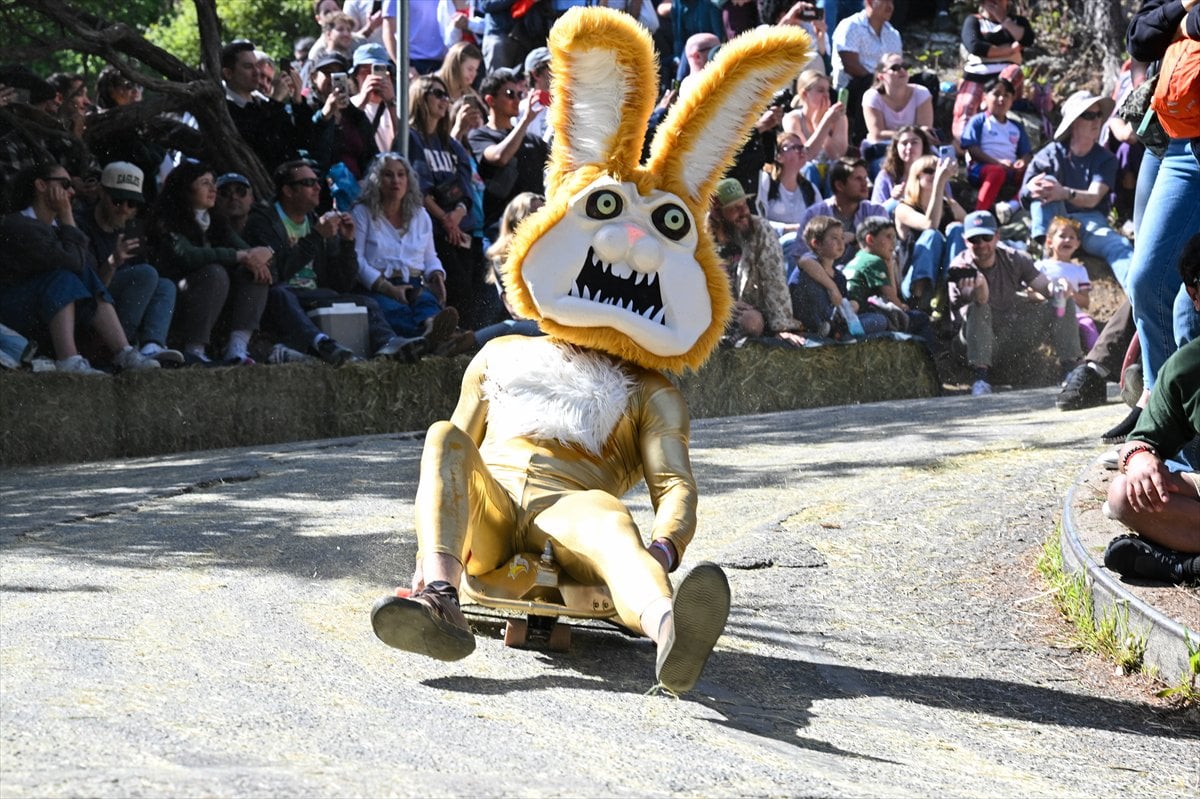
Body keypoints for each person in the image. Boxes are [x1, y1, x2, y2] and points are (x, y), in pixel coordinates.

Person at [368, 8, 810, 693]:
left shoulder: (649, 390)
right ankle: (437, 597)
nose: (632, 247)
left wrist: (667, 541)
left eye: (659, 229)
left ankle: (669, 625)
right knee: (443, 440)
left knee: (609, 523)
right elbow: (454, 458)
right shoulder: (499, 358)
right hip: (488, 514)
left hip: (570, 512)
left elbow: (673, 484)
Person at [241, 159, 416, 364]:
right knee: (280, 292)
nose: (317, 187)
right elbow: (277, 272)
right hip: (280, 298)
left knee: (367, 302)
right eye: (308, 183)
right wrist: (316, 236)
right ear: (288, 191)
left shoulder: (316, 221)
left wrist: (348, 242)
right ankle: (323, 344)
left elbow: (341, 283)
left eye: (317, 181)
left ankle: (389, 344)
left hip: (313, 295)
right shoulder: (264, 221)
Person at [0, 162, 161, 375]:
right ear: (41, 185)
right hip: (13, 313)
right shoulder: (18, 224)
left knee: (84, 275)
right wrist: (67, 214)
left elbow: (86, 268)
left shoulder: (61, 228)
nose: (72, 191)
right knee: (64, 277)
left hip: (46, 313)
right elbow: (74, 264)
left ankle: (124, 351)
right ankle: (69, 360)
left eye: (132, 203)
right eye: (65, 184)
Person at [1102, 239, 1200, 585]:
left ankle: (1184, 567)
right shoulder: (1188, 367)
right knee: (1123, 495)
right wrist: (1141, 459)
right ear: (1195, 296)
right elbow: (1139, 441)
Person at [1124, 0, 1200, 430]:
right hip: (1178, 144)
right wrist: (1183, 13)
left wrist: (1181, 24)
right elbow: (1140, 37)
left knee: (1186, 307)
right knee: (1147, 279)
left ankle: (1183, 444)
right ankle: (1162, 427)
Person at [947, 210, 1082, 396]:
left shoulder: (1014, 258)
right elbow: (979, 303)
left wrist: (1059, 286)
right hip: (972, 345)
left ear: (997, 237)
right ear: (965, 241)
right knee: (979, 308)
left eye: (986, 237)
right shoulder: (960, 268)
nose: (981, 244)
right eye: (974, 240)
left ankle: (1070, 369)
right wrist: (980, 286)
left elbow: (1044, 287)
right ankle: (981, 378)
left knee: (1063, 301)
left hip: (1009, 337)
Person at [150, 161, 272, 366]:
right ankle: (194, 350)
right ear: (185, 189)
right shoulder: (166, 221)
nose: (213, 189)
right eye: (205, 183)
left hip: (216, 301)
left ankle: (237, 347)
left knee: (254, 271)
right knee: (215, 272)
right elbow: (189, 255)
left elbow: (246, 251)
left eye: (213, 183)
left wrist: (264, 253)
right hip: (178, 300)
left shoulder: (216, 220)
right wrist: (238, 256)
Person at [350, 153, 464, 352]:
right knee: (396, 310)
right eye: (388, 175)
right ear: (376, 180)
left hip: (412, 283)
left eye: (401, 175)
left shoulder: (420, 215)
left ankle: (436, 331)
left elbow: (430, 257)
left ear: (408, 180)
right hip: (377, 286)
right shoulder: (363, 213)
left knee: (426, 303)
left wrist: (437, 275)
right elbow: (356, 260)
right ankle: (430, 342)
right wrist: (386, 287)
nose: (396, 181)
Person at [1018, 91, 1132, 286]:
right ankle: (1045, 255)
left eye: (1098, 115)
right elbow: (1025, 194)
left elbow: (1094, 197)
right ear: (1073, 123)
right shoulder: (1050, 154)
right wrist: (1033, 187)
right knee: (1046, 185)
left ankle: (1139, 294)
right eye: (1088, 115)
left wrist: (1064, 192)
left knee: (1119, 245)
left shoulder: (1105, 159)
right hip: (1057, 221)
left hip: (1090, 223)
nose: (1096, 120)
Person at [74, 161, 182, 365]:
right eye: (117, 200)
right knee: (146, 274)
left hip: (121, 305)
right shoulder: (81, 224)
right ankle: (119, 349)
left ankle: (152, 345)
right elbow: (91, 289)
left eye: (131, 204)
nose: (124, 209)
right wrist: (113, 261)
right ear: (102, 194)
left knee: (165, 285)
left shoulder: (132, 228)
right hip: (90, 312)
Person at [408, 74, 487, 325]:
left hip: (461, 229)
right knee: (456, 290)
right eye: (437, 94)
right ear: (420, 97)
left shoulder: (452, 145)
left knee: (474, 293)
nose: (445, 100)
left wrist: (457, 215)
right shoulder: (410, 138)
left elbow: (466, 188)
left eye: (446, 95)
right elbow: (418, 189)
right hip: (435, 232)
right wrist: (445, 220)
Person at [707, 178, 806, 347]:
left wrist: (781, 326)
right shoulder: (702, 237)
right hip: (713, 307)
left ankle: (732, 340)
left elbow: (774, 278)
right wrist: (723, 302)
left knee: (752, 322)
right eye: (734, 208)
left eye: (744, 204)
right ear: (718, 214)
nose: (743, 211)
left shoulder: (761, 230)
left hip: (749, 309)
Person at [468, 68, 549, 243]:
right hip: (501, 231)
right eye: (510, 94)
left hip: (536, 229)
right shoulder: (479, 136)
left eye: (520, 94)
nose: (517, 100)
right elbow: (499, 157)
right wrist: (526, 120)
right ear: (491, 100)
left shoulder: (532, 140)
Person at [222, 40, 312, 174]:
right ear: (228, 73)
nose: (256, 72)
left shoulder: (263, 104)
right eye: (248, 67)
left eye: (256, 66)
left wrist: (297, 100)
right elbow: (260, 141)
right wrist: (276, 101)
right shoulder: (225, 109)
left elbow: (303, 140)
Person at [789, 216, 887, 338]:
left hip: (834, 321)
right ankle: (830, 330)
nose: (841, 243)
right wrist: (832, 288)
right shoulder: (808, 262)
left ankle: (840, 333)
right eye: (834, 238)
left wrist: (852, 305)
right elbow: (805, 262)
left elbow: (842, 301)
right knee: (812, 284)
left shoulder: (839, 276)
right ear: (816, 243)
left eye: (842, 238)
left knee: (880, 319)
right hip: (809, 320)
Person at [951, 0, 1034, 140]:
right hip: (976, 75)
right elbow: (975, 46)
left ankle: (991, 110)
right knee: (965, 109)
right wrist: (1009, 50)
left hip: (1006, 76)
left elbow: (1027, 39)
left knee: (1011, 74)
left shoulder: (1018, 22)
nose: (993, 3)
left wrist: (1003, 20)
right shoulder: (973, 21)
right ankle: (965, 143)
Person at [893, 153, 965, 313]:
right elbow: (930, 224)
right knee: (932, 236)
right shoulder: (903, 208)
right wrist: (940, 181)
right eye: (929, 171)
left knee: (958, 230)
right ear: (916, 177)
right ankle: (919, 304)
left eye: (938, 170)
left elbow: (973, 229)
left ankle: (950, 296)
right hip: (913, 282)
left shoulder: (950, 205)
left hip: (944, 281)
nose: (936, 173)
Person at [790, 156, 890, 266]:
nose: (865, 184)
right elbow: (800, 256)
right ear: (839, 185)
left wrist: (855, 239)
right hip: (822, 276)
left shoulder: (876, 212)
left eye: (865, 178)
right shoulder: (815, 214)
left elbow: (886, 251)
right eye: (858, 179)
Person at [844, 215, 930, 338]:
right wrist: (902, 307)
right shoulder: (873, 261)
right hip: (860, 316)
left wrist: (889, 265)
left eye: (895, 237)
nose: (893, 243)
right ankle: (933, 355)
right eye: (889, 237)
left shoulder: (860, 257)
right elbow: (891, 298)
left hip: (855, 312)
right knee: (920, 318)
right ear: (870, 240)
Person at [830, 0, 902, 145]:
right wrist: (880, 83)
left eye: (892, 2)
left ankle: (921, 136)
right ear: (869, 2)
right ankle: (862, 140)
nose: (890, 6)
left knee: (925, 81)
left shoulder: (893, 33)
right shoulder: (851, 26)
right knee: (867, 84)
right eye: (885, 2)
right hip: (851, 89)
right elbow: (850, 65)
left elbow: (898, 65)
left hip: (886, 84)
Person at [960, 76, 1031, 222]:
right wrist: (997, 162)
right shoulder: (979, 121)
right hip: (982, 168)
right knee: (996, 172)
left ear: (1012, 100)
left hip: (1009, 169)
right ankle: (978, 216)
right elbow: (971, 148)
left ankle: (1012, 205)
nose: (1001, 99)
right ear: (985, 97)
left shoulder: (1016, 126)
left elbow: (1026, 153)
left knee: (1035, 173)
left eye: (1006, 95)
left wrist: (1022, 162)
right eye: (996, 94)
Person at [307, 52, 378, 181]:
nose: (334, 78)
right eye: (328, 72)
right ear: (313, 77)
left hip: (357, 190)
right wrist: (325, 115)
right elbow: (310, 149)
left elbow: (371, 155)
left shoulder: (354, 115)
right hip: (320, 189)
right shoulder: (305, 109)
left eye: (340, 74)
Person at [860, 53, 932, 174]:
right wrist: (909, 136)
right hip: (884, 150)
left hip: (915, 148)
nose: (902, 70)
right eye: (895, 68)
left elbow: (925, 129)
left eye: (905, 66)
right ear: (881, 76)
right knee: (886, 168)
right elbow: (877, 134)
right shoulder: (872, 97)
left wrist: (910, 138)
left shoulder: (921, 93)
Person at [1035, 216, 1097, 352]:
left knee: (1088, 324)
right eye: (1062, 236)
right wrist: (1050, 295)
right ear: (1049, 241)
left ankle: (1095, 360)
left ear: (1077, 244)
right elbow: (1030, 292)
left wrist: (1070, 294)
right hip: (1046, 312)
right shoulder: (1041, 266)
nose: (1067, 240)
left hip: (1075, 315)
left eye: (1072, 237)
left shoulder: (1079, 270)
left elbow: (1085, 302)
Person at [783, 69, 848, 197]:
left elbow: (837, 154)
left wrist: (820, 123)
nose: (826, 95)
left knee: (837, 169)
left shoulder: (838, 117)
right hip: (805, 173)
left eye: (827, 90)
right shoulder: (792, 119)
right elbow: (804, 156)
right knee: (810, 169)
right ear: (804, 94)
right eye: (820, 90)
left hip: (831, 175)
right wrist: (823, 125)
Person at [755, 131, 817, 244]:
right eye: (794, 147)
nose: (801, 151)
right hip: (772, 245)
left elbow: (821, 219)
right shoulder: (766, 182)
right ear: (778, 157)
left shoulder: (809, 188)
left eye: (802, 147)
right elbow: (757, 220)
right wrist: (788, 229)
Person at [349, 43, 398, 155]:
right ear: (356, 76)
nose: (371, 76)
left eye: (377, 70)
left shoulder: (398, 107)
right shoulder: (350, 105)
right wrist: (363, 100)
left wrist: (391, 103)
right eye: (365, 72)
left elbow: (405, 143)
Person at [870, 124, 929, 210]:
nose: (909, 147)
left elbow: (948, 204)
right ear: (896, 148)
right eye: (904, 143)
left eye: (914, 142)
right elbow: (875, 212)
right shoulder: (886, 176)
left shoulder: (934, 172)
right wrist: (894, 200)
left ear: (923, 145)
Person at [435, 41, 484, 105]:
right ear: (455, 66)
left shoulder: (469, 92)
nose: (474, 74)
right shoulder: (432, 87)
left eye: (476, 70)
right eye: (470, 69)